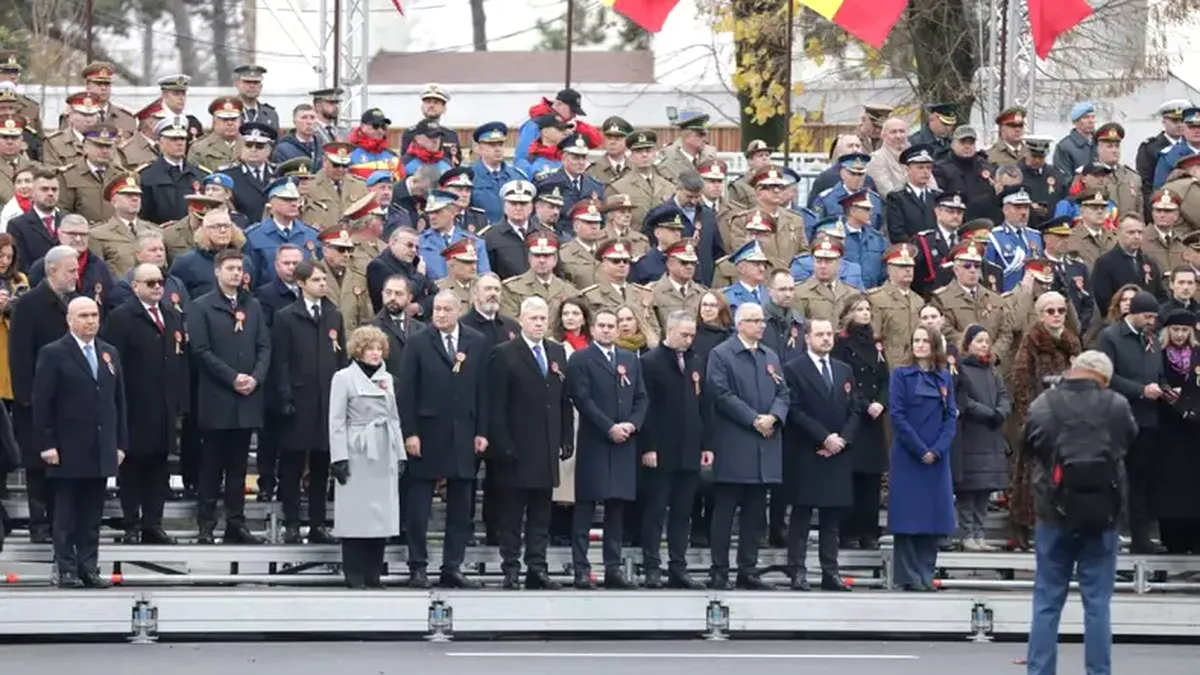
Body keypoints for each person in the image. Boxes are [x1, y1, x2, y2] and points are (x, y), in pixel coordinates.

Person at [1022, 350, 1136, 675]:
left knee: (1047, 602)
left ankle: (1040, 670)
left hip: (1054, 512)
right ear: (1104, 378)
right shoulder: (1116, 405)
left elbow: (1027, 443)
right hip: (1103, 515)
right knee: (1097, 605)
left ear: (1075, 369)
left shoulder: (1044, 404)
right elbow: (1129, 441)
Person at [32, 297, 127, 588]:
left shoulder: (108, 353)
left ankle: (88, 567)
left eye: (94, 315)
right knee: (66, 514)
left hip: (100, 447)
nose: (90, 321)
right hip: (67, 447)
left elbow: (118, 401)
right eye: (83, 316)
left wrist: (120, 443)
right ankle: (67, 568)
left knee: (92, 514)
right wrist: (47, 443)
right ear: (69, 320)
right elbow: (43, 402)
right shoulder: (53, 353)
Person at [398, 290, 489, 589]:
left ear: (459, 309)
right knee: (419, 507)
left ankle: (453, 566)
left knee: (461, 506)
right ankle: (418, 566)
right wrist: (410, 432)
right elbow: (407, 391)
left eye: (446, 309)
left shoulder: (476, 341)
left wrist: (482, 431)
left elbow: (483, 389)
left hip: (464, 433)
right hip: (427, 434)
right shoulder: (418, 341)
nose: (440, 314)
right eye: (436, 309)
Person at [487, 297, 574, 590]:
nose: (539, 323)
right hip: (516, 447)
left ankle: (537, 567)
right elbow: (497, 405)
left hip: (547, 447)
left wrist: (566, 437)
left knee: (541, 515)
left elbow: (563, 399)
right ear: (521, 320)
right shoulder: (504, 353)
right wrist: (503, 444)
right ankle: (511, 568)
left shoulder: (556, 351)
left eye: (543, 318)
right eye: (533, 318)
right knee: (512, 515)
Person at [187, 249, 271, 544]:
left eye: (239, 268)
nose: (236, 273)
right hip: (217, 397)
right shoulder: (201, 306)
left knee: (238, 467)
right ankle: (206, 524)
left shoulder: (253, 305)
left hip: (246, 397)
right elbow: (201, 351)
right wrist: (232, 377)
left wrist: (255, 377)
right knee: (212, 465)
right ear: (217, 272)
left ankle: (236, 522)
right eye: (230, 268)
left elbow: (264, 346)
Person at [100, 263, 188, 545]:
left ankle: (153, 523)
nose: (157, 287)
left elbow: (180, 360)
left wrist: (180, 401)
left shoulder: (172, 316)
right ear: (135, 286)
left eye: (160, 282)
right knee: (132, 468)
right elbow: (113, 365)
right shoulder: (121, 317)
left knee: (159, 468)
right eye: (150, 283)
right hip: (134, 406)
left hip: (164, 406)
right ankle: (131, 523)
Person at [705, 302, 788, 589]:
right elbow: (721, 393)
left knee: (755, 515)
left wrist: (774, 416)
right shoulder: (722, 354)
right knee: (725, 513)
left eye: (762, 320)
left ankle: (747, 570)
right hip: (735, 443)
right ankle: (719, 570)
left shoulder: (770, 356)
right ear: (739, 324)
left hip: (765, 445)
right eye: (754, 320)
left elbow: (783, 393)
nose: (761, 325)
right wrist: (753, 419)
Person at [565, 307, 648, 589]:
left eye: (611, 325)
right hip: (595, 441)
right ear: (593, 328)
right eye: (601, 325)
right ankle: (581, 568)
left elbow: (641, 397)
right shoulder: (581, 359)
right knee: (585, 507)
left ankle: (613, 568)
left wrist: (632, 425)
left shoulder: (630, 359)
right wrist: (608, 426)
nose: (607, 330)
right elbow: (581, 398)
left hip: (624, 442)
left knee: (617, 508)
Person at [270, 261, 347, 544]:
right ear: (301, 283)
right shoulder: (286, 316)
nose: (323, 284)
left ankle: (317, 523)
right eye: (316, 280)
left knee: (321, 465)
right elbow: (281, 361)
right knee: (292, 464)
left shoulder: (333, 315)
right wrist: (284, 397)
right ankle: (291, 521)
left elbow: (341, 358)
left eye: (324, 279)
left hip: (327, 401)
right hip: (298, 399)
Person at [781, 318, 858, 591]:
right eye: (820, 334)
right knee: (801, 517)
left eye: (829, 334)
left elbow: (855, 408)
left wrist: (843, 439)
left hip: (837, 453)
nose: (826, 339)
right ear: (807, 338)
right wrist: (824, 437)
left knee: (831, 519)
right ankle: (797, 571)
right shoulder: (793, 369)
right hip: (807, 451)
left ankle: (830, 572)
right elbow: (795, 410)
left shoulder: (843, 369)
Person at [328, 325, 406, 588]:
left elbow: (394, 418)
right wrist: (339, 457)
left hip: (384, 451)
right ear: (358, 351)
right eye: (370, 348)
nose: (375, 353)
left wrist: (400, 454)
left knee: (381, 516)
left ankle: (374, 574)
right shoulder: (343, 378)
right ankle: (354, 574)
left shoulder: (388, 379)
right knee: (355, 515)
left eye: (379, 348)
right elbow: (336, 420)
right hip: (357, 449)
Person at [9, 244, 76, 542]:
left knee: (66, 463)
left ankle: (62, 522)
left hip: (69, 400)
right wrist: (26, 398)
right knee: (38, 464)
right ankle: (39, 524)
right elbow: (20, 355)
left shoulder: (75, 302)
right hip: (36, 399)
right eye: (70, 271)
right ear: (52, 270)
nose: (75, 276)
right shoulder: (29, 304)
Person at [639, 310, 710, 590]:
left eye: (692, 335)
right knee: (656, 511)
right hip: (661, 449)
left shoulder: (696, 361)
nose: (689, 340)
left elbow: (704, 405)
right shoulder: (650, 362)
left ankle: (678, 566)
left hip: (689, 448)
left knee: (683, 512)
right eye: (684, 334)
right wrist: (649, 446)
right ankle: (652, 567)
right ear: (670, 331)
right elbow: (645, 408)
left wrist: (706, 444)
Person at [1096, 289, 1168, 553]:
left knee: (1140, 480)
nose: (1152, 321)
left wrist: (1165, 389)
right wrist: (1140, 390)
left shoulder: (1152, 339)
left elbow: (1158, 373)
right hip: (1118, 418)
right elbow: (1107, 376)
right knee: (1113, 478)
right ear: (1133, 313)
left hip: (1147, 420)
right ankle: (1108, 535)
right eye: (1147, 316)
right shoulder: (1110, 337)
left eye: (1154, 317)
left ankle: (1140, 538)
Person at [1009, 292, 1082, 549]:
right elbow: (1021, 382)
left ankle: (1061, 528)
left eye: (1061, 310)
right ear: (1040, 314)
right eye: (1050, 311)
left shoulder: (1072, 342)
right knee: (1031, 475)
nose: (1057, 315)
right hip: (1039, 418)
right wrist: (1030, 417)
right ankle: (1023, 527)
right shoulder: (1031, 340)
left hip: (1068, 419)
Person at [888, 326, 957, 591]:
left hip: (937, 459)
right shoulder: (900, 375)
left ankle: (926, 574)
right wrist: (920, 450)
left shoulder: (944, 377)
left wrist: (937, 450)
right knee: (908, 519)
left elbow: (951, 417)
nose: (919, 345)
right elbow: (897, 415)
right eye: (916, 340)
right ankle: (908, 576)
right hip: (909, 456)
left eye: (925, 341)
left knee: (932, 519)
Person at [832, 295, 889, 550]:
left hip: (875, 418)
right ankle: (849, 531)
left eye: (867, 309)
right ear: (849, 313)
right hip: (854, 415)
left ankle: (869, 530)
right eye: (859, 309)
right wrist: (866, 404)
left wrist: (881, 402)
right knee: (852, 476)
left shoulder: (876, 344)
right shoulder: (841, 343)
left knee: (872, 478)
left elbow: (885, 378)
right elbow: (844, 380)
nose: (865, 313)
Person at [952, 324, 1012, 551]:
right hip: (971, 434)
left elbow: (1004, 395)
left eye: (987, 341)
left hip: (991, 435)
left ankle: (979, 533)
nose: (984, 345)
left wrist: (1001, 411)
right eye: (979, 341)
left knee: (985, 488)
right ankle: (967, 534)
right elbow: (963, 400)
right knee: (969, 489)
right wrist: (988, 413)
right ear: (968, 344)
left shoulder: (992, 371)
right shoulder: (960, 369)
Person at [1153, 309, 1200, 552]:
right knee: (1170, 483)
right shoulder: (1158, 354)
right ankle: (1173, 538)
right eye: (1175, 330)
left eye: (1184, 330)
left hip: (1193, 427)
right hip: (1167, 426)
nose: (1179, 335)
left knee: (1193, 484)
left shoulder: (1197, 355)